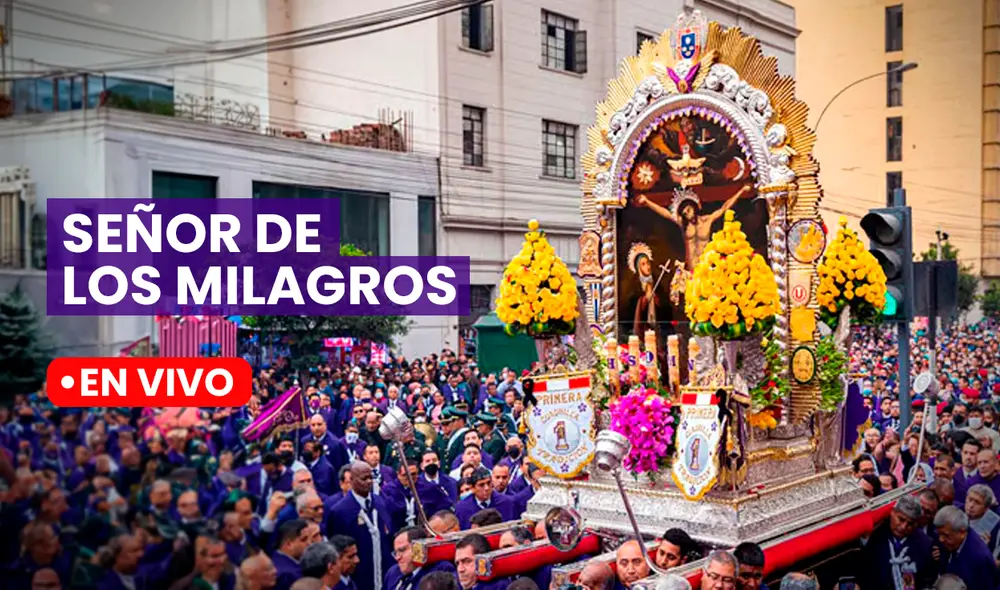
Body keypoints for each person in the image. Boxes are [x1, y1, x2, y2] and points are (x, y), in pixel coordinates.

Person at [326, 462, 394, 590]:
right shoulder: (340, 511)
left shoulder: (380, 502)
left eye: (370, 478)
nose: (368, 482)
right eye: (364, 478)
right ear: (351, 480)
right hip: (359, 577)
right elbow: (337, 549)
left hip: (383, 573)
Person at [858, 494, 936, 589]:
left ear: (916, 523)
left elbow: (927, 580)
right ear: (892, 512)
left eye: (910, 523)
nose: (903, 527)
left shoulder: (925, 544)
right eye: (901, 519)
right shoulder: (875, 536)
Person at [934, 505, 997, 587]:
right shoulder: (949, 542)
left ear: (962, 533)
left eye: (946, 535)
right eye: (939, 534)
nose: (941, 539)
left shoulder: (980, 559)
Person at [384, 527, 456, 590]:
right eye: (395, 553)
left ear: (419, 547)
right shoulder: (393, 573)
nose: (397, 558)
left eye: (402, 550)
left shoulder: (442, 569)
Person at [273, 519, 311, 590]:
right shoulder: (289, 575)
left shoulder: (272, 557)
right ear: (289, 544)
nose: (309, 543)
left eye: (309, 538)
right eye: (304, 539)